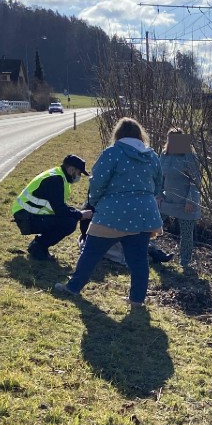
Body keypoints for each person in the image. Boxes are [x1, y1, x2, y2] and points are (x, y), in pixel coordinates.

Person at [56, 118, 162, 305]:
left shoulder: (112, 153)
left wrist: (94, 202)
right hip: (144, 214)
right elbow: (159, 184)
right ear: (140, 135)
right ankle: (137, 299)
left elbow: (97, 182)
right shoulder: (152, 156)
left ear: (118, 134)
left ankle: (73, 288)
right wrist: (145, 198)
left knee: (91, 251)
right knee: (138, 259)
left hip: (113, 212)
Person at [11, 154, 92, 261]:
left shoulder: (58, 176)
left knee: (69, 218)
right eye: (79, 173)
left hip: (27, 214)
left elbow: (59, 206)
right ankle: (38, 247)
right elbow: (60, 210)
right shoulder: (55, 180)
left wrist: (76, 212)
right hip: (25, 217)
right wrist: (80, 215)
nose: (79, 176)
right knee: (69, 223)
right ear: (71, 169)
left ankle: (39, 245)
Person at [158, 128, 202, 270]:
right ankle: (152, 252)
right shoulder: (164, 155)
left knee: (186, 233)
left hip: (185, 202)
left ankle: (185, 261)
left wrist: (190, 200)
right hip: (167, 200)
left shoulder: (190, 157)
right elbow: (159, 177)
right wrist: (158, 194)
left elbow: (195, 181)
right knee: (153, 224)